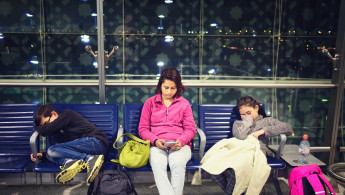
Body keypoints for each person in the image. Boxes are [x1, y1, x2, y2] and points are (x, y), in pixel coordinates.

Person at [208, 95, 293, 194]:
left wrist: (263, 131)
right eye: (242, 114)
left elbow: (288, 128)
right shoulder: (238, 123)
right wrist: (247, 120)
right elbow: (240, 136)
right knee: (211, 161)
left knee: (239, 167)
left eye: (248, 113)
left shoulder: (267, 121)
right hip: (239, 151)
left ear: (256, 108)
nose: (245, 116)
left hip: (256, 154)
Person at [138, 67, 196, 195]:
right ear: (160, 86)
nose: (169, 92)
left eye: (173, 88)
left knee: (178, 162)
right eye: (166, 87)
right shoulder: (150, 103)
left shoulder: (184, 104)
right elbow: (142, 129)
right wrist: (155, 140)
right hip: (157, 144)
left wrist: (181, 141)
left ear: (178, 88)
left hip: (180, 145)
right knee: (157, 163)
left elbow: (191, 129)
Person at [30, 104, 108, 184]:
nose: (46, 127)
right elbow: (63, 150)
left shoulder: (66, 114)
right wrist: (43, 155)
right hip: (90, 150)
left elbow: (44, 131)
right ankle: (69, 162)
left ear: (54, 113)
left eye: (46, 123)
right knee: (49, 154)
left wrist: (36, 127)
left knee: (51, 149)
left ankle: (88, 159)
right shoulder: (60, 131)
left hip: (96, 143)